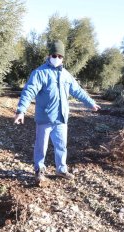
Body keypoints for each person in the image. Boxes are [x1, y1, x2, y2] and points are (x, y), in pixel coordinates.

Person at [13, 40, 100, 184]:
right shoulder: (40, 73)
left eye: (60, 56)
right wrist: (21, 111)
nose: (57, 58)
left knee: (61, 146)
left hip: (61, 119)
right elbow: (29, 91)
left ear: (63, 58)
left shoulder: (66, 75)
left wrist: (91, 103)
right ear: (49, 55)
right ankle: (39, 170)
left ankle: (61, 169)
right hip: (45, 118)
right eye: (54, 55)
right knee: (41, 146)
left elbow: (77, 91)